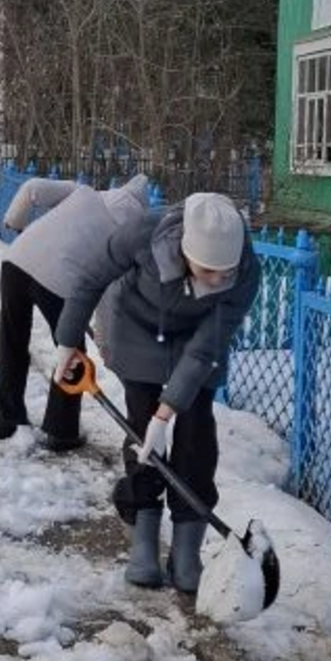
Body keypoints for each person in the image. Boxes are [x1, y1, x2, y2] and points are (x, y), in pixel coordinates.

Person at [55, 190, 258, 594]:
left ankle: (187, 549)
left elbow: (204, 349)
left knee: (197, 433)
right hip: (135, 327)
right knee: (141, 428)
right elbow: (91, 277)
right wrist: (67, 339)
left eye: (226, 273)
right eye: (208, 271)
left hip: (197, 341)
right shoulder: (144, 232)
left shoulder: (247, 271)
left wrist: (168, 415)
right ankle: (143, 538)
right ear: (184, 251)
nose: (219, 281)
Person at [0, 174, 152, 448]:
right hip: (60, 281)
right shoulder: (125, 238)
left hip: (15, 261)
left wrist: (15, 221)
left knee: (12, 341)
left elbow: (33, 188)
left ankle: (8, 420)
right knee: (72, 352)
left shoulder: (84, 192)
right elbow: (107, 294)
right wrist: (104, 343)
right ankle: (61, 431)